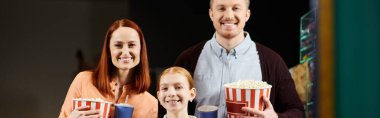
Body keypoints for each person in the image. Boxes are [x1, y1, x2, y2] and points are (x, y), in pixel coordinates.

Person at [174, 0, 305, 117]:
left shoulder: (272, 61)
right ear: (211, 14)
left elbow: (297, 112)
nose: (229, 16)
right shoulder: (187, 60)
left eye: (236, 8)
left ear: (247, 14)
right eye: (221, 8)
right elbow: (167, 108)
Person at [59, 19, 158, 118]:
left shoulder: (151, 105)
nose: (125, 52)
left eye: (132, 45)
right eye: (118, 45)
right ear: (108, 50)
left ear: (141, 50)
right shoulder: (83, 81)